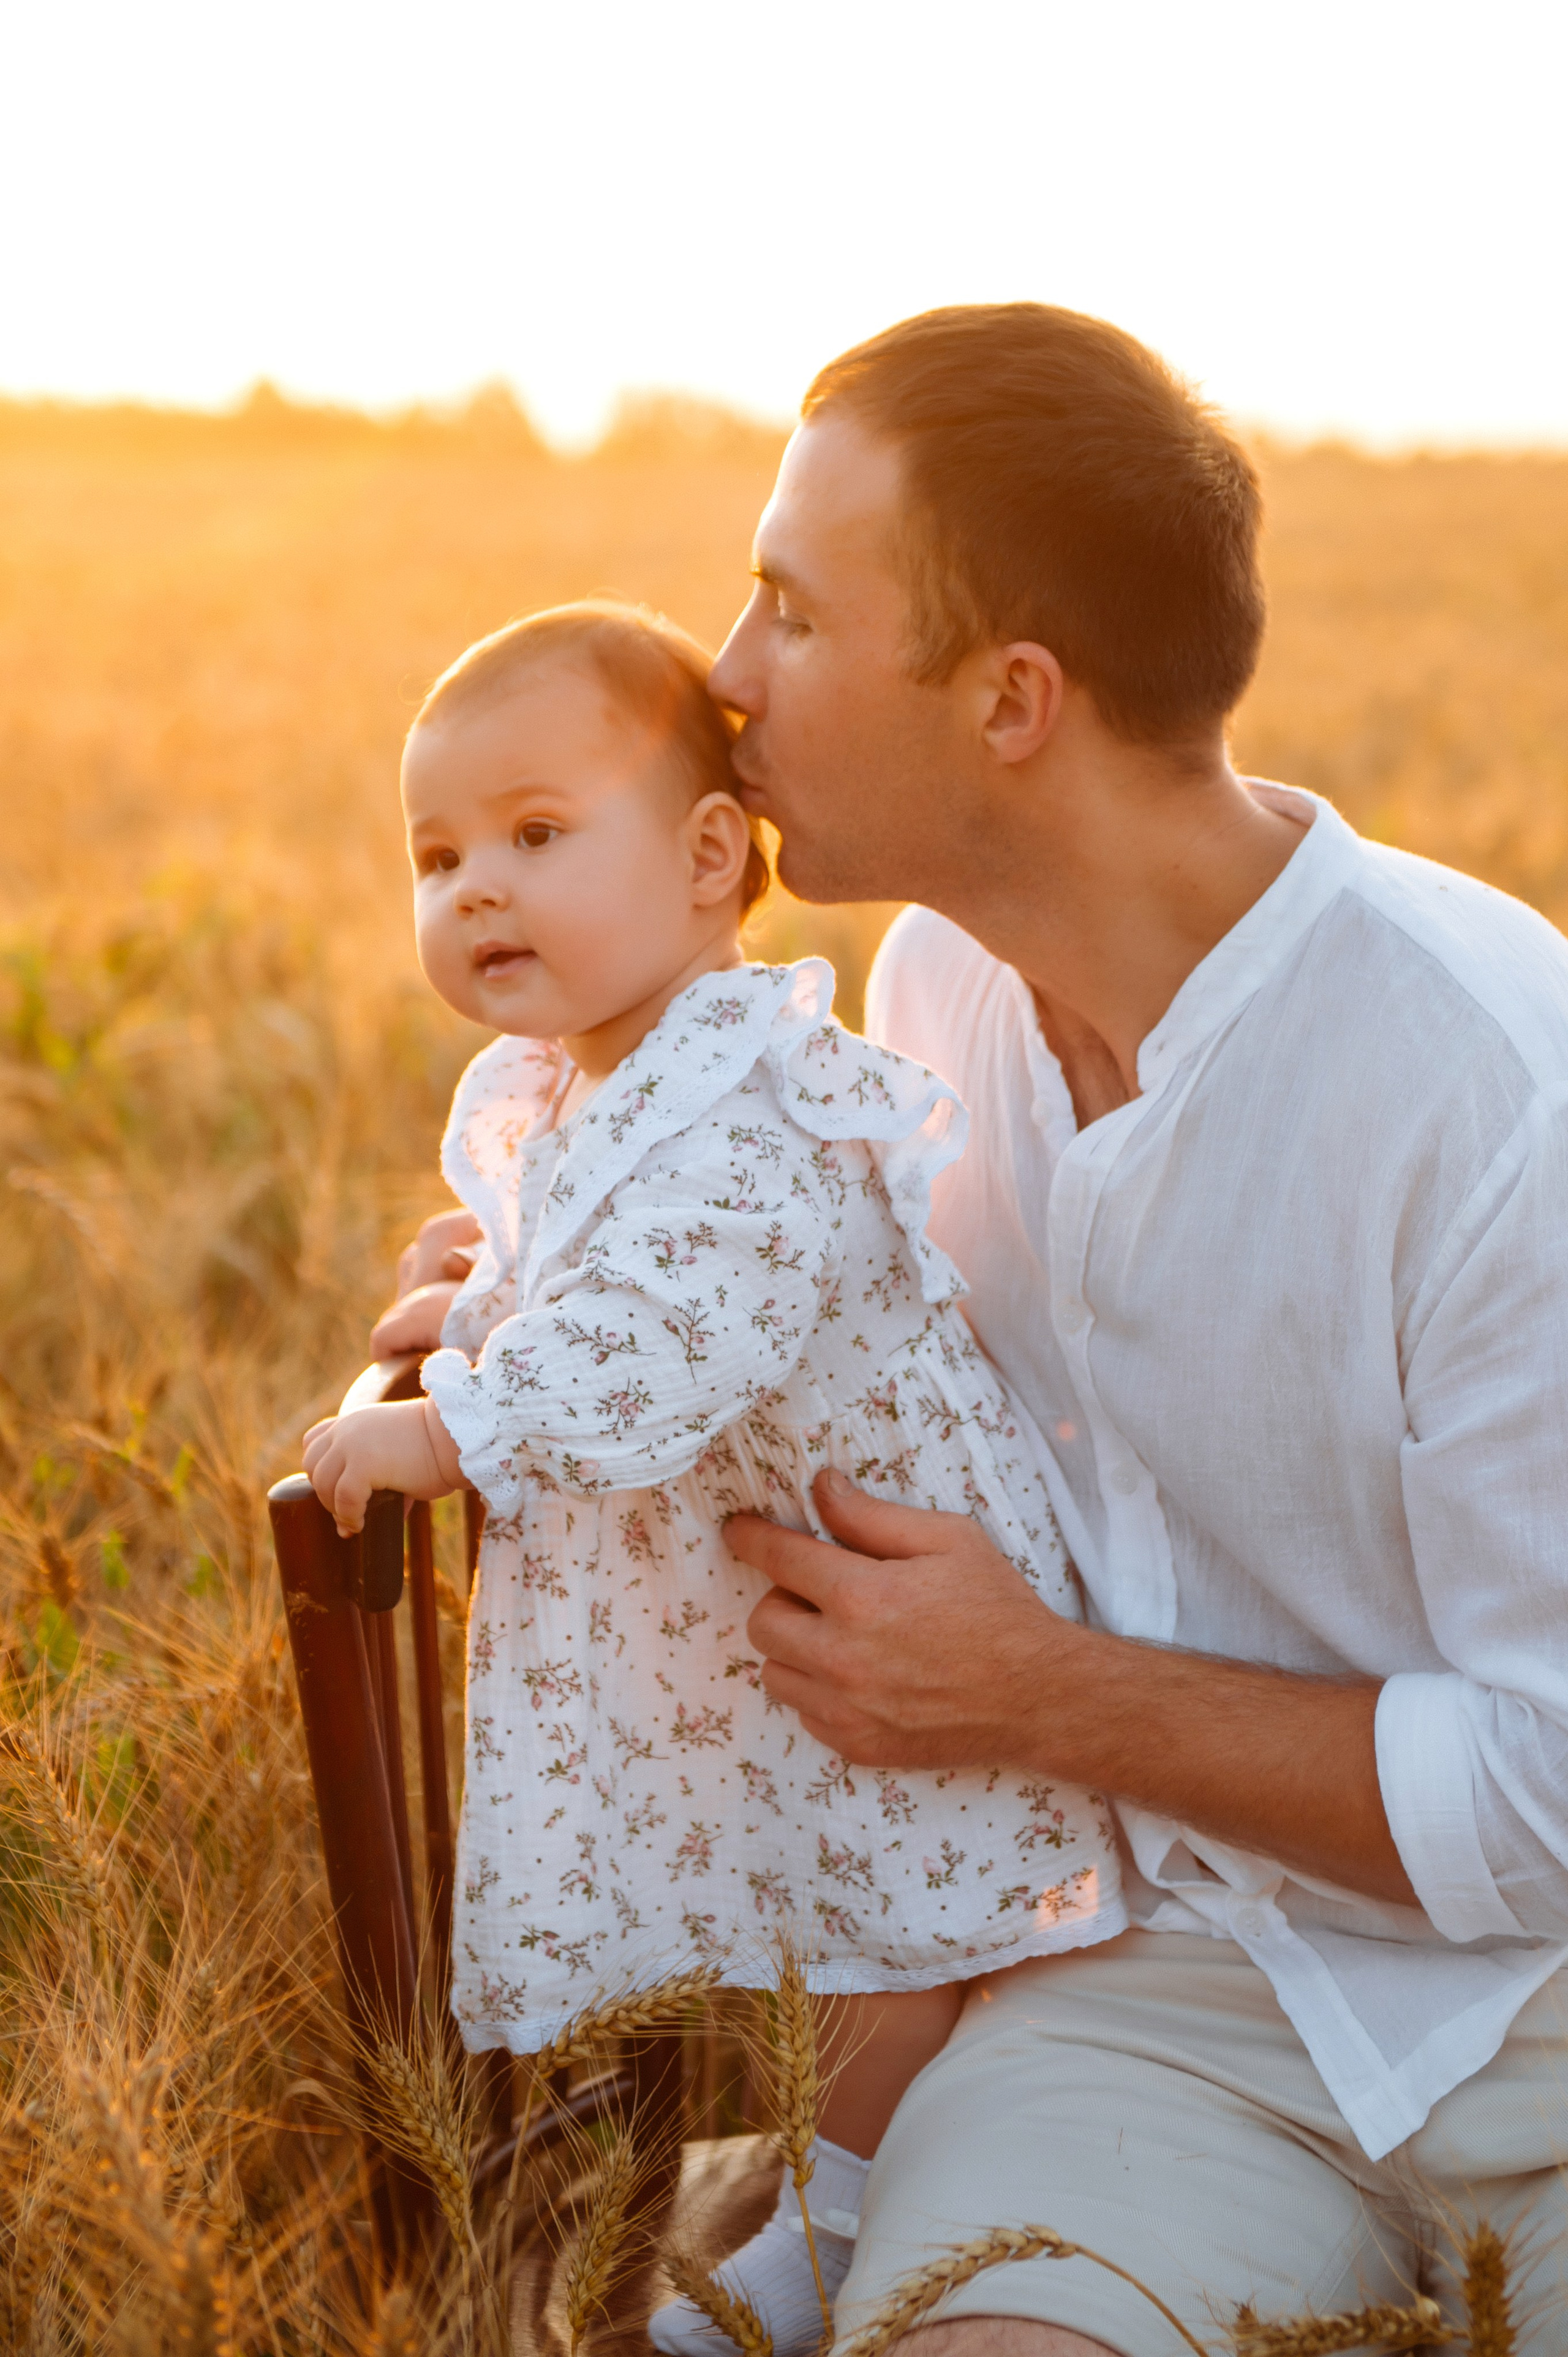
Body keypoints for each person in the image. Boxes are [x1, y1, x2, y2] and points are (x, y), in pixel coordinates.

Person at [706, 304, 1568, 2353]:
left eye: (792, 615)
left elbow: (1555, 1793)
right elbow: (866, 1351)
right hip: (1154, 1992)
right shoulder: (933, 992)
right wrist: (556, 1286)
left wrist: (1043, 1693)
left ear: (1013, 699)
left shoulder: (1495, 1094)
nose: (722, 677)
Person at [301, 599, 1126, 2355]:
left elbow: (674, 1323)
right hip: (773, 1586)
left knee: (875, 1931)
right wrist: (500, 1288)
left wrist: (453, 1427)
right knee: (815, 1913)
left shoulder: (751, 1093)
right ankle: (875, 2178)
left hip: (885, 1586)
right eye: (439, 858)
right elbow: (609, 1252)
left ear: (701, 863)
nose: (478, 891)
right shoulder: (596, 1073)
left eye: (537, 834)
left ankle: (851, 2218)